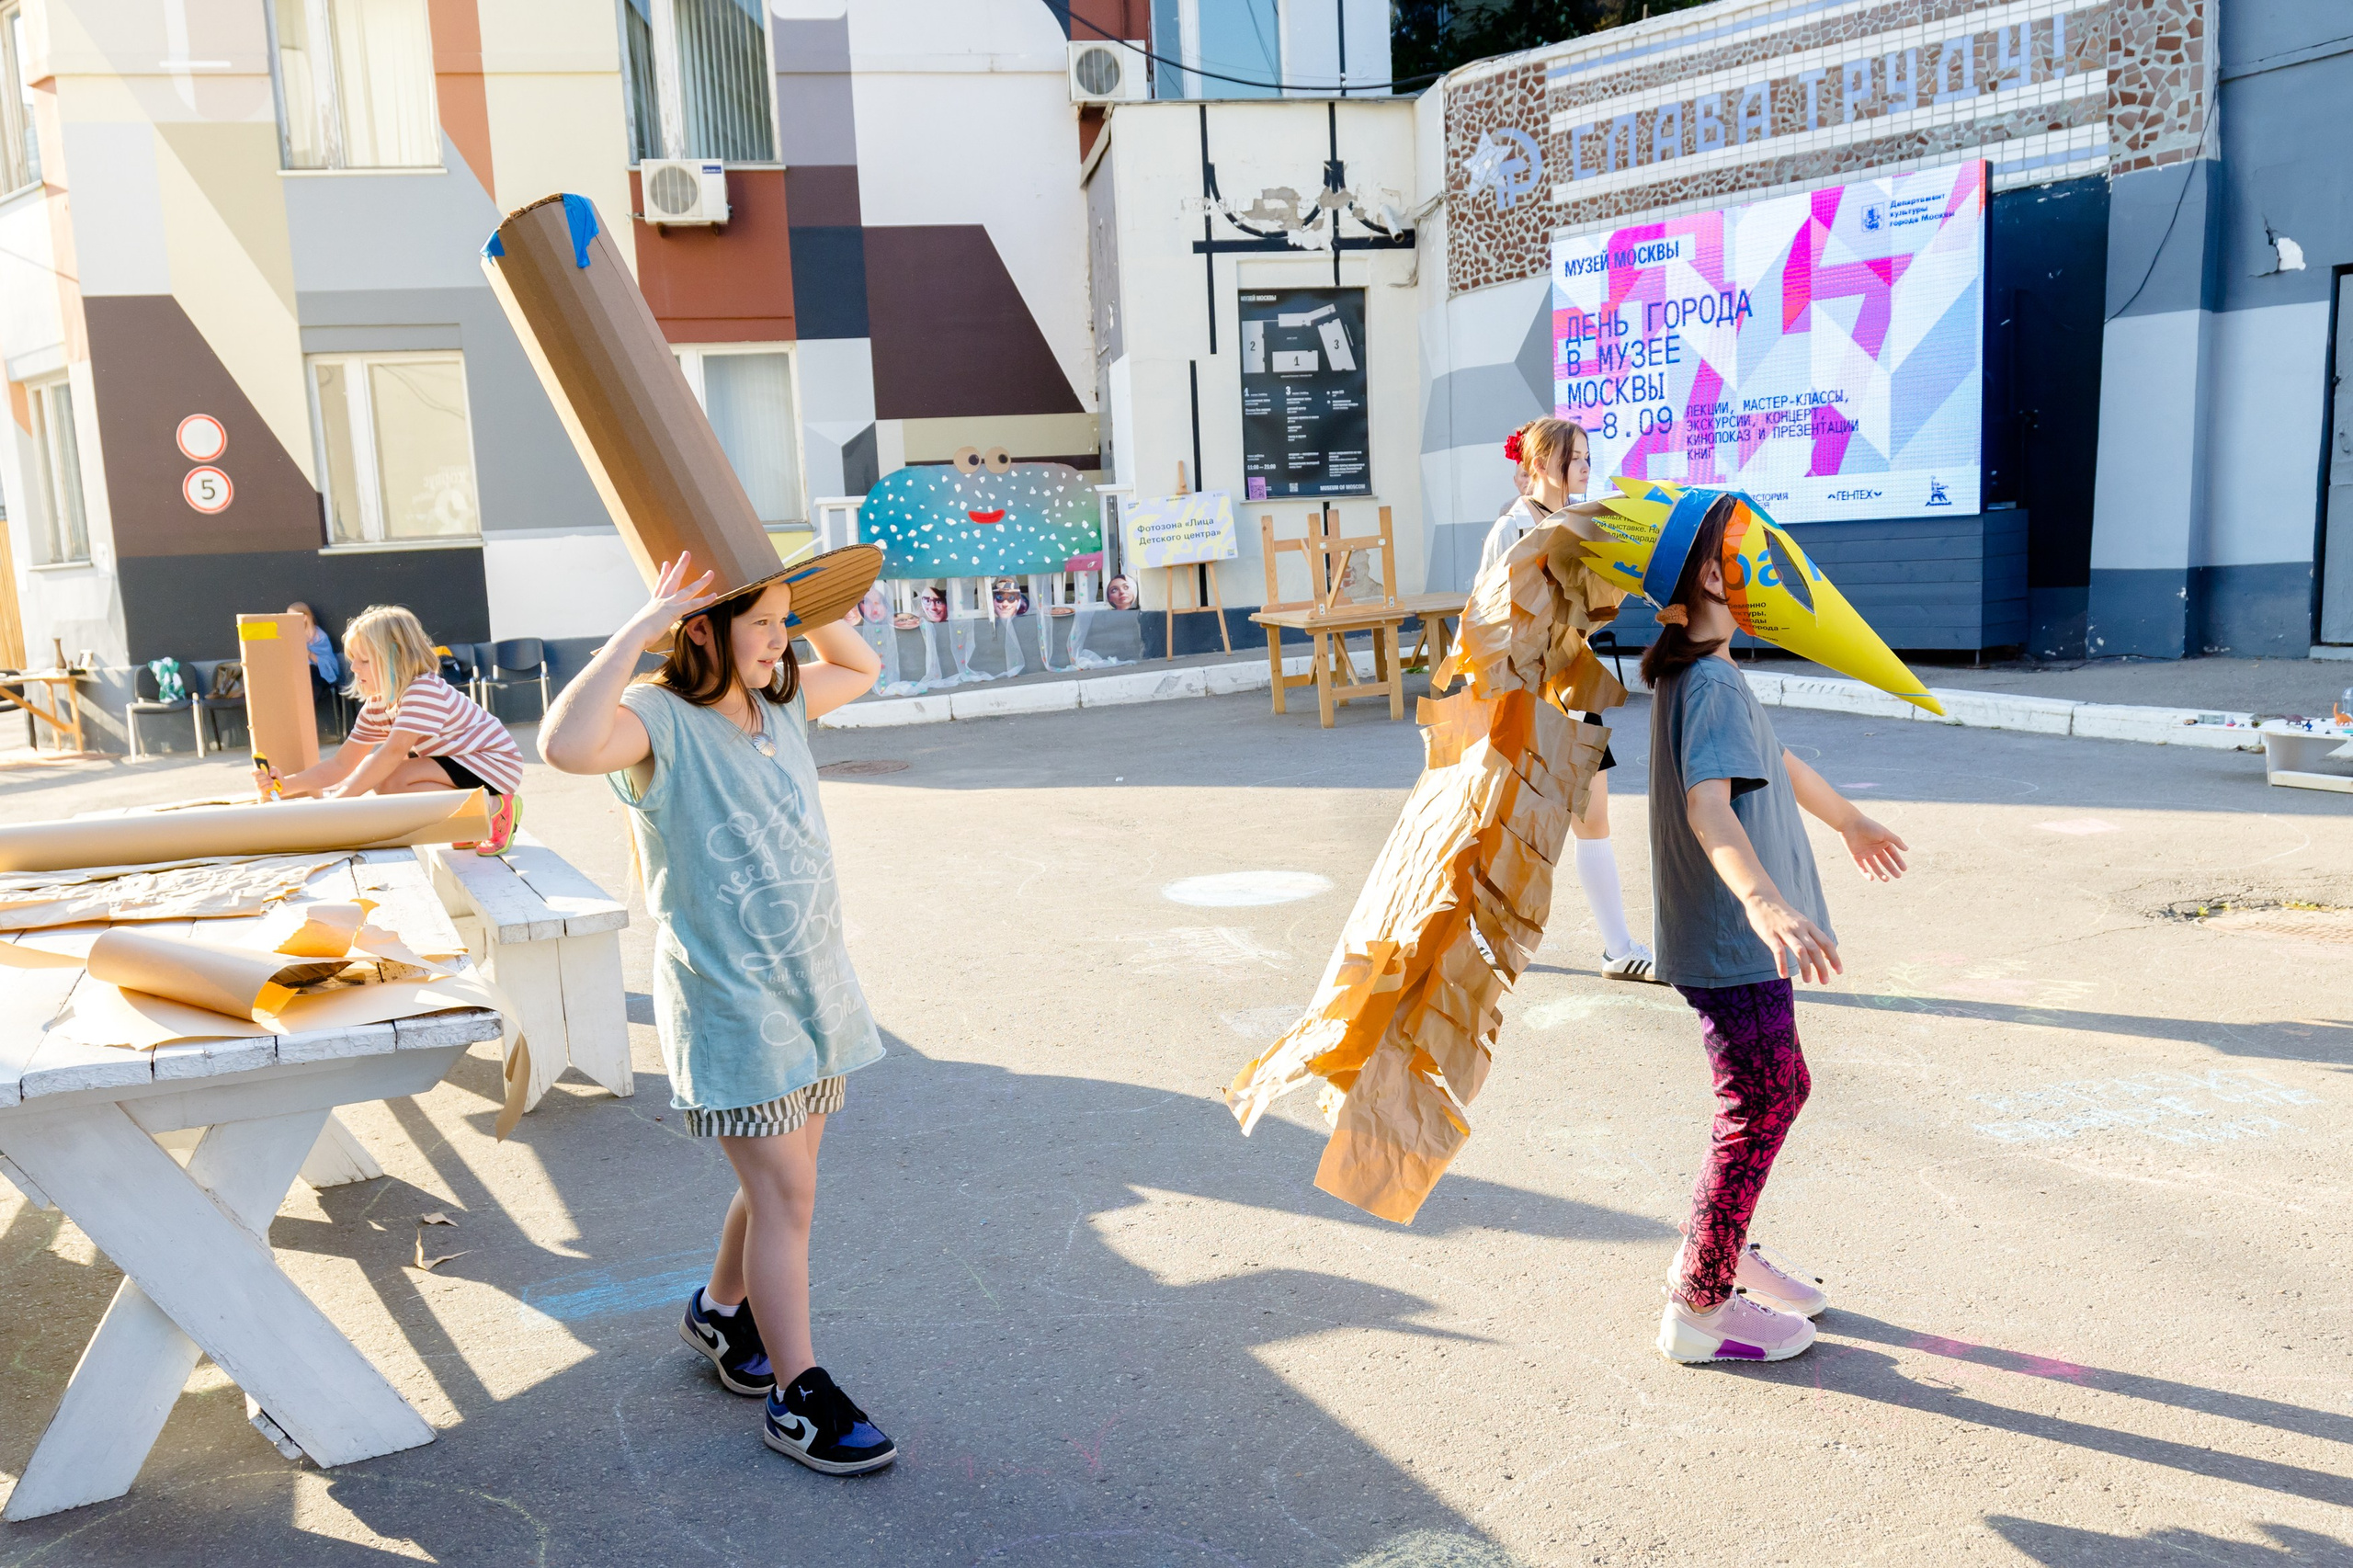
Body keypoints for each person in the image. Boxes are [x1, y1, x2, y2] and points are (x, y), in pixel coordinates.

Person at [536, 551, 896, 1475]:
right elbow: (565, 745)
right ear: (701, 629)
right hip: (730, 995)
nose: (781, 640)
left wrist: (804, 600)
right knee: (787, 1190)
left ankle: (720, 1310)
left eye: (787, 621)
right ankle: (796, 1392)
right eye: (764, 622)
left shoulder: (778, 702)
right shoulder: (659, 718)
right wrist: (640, 626)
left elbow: (860, 667)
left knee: (786, 1174)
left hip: (812, 981)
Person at [1643, 494, 1908, 1365]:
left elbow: (1776, 758)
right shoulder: (1712, 679)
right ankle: (1701, 1303)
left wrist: (1850, 821)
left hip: (1729, 941)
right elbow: (1708, 805)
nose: (1758, 571)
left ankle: (1721, 1243)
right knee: (1761, 1100)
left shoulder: (1705, 676)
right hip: (1731, 941)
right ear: (1712, 576)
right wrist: (1762, 901)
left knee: (1769, 1092)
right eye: (1740, 556)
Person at [1474, 417, 1659, 983]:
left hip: (1575, 687)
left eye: (1585, 456)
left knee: (1594, 819)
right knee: (1511, 820)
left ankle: (1618, 948)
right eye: (1574, 457)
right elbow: (1486, 620)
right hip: (1527, 695)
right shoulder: (1512, 529)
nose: (1584, 466)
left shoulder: (1575, 523)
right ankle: (1478, 931)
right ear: (1541, 463)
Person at [256, 604, 523, 855]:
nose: (352, 668)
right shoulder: (378, 704)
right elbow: (341, 764)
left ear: (395, 658)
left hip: (492, 763)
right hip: (461, 764)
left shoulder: (423, 690)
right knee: (383, 780)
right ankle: (471, 818)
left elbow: (392, 753)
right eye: (352, 659)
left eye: (364, 660)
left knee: (388, 777)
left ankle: (493, 808)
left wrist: (337, 804)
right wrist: (283, 785)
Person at [287, 600, 344, 738]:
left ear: (304, 617)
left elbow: (328, 663)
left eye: (293, 616)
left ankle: (303, 727)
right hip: (300, 674)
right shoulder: (290, 636)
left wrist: (309, 653)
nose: (289, 620)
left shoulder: (319, 637)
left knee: (311, 678)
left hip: (320, 674)